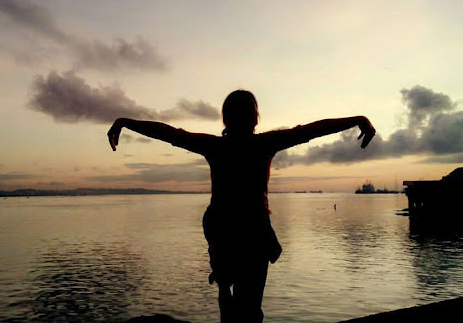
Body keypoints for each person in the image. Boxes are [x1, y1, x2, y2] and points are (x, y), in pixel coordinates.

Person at [107, 90, 375, 323]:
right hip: (245, 231)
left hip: (228, 228)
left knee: (233, 298)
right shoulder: (261, 143)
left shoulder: (217, 145)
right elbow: (311, 130)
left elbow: (171, 134)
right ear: (255, 118)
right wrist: (356, 120)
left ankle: (227, 294)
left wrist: (126, 122)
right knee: (247, 306)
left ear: (226, 119)